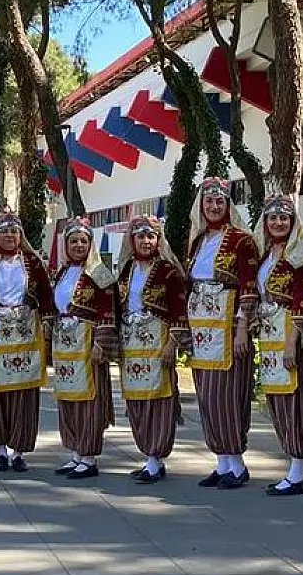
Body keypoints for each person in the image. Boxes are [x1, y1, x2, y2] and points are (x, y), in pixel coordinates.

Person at [185, 177, 261, 489]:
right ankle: (221, 461)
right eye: (209, 201)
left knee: (227, 396)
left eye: (220, 201)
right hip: (202, 332)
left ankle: (238, 463)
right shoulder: (198, 241)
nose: (214, 206)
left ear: (228, 205)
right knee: (206, 396)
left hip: (228, 329)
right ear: (201, 206)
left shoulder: (242, 240)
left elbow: (249, 287)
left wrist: (243, 328)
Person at [0, 210, 55, 472]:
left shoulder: (34, 263)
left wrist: (47, 328)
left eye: (14, 231)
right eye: (4, 231)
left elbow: (47, 298)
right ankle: (0, 450)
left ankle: (19, 452)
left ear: (20, 236)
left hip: (27, 336)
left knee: (24, 393)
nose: (9, 236)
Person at [114, 215, 190, 484]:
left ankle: (156, 458)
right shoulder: (125, 271)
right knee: (136, 401)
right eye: (141, 236)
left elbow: (180, 310)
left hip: (158, 342)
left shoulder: (169, 271)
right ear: (131, 240)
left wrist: (173, 343)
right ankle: (148, 455)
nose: (146, 241)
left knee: (159, 400)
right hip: (132, 344)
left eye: (151, 236)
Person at [252, 194, 303, 496]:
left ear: (293, 223)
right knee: (277, 401)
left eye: (284, 218)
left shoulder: (300, 255)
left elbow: (302, 301)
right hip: (269, 335)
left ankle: (298, 464)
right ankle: (296, 468)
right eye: (272, 218)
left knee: (295, 400)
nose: (278, 223)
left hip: (290, 334)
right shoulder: (266, 256)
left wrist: (293, 341)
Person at [46, 217, 117, 480]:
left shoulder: (99, 273)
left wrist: (101, 342)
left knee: (90, 399)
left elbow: (108, 311)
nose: (78, 245)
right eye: (73, 241)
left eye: (83, 241)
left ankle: (89, 456)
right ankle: (75, 452)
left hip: (88, 343)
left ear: (91, 244)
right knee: (67, 397)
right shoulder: (64, 272)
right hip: (65, 346)